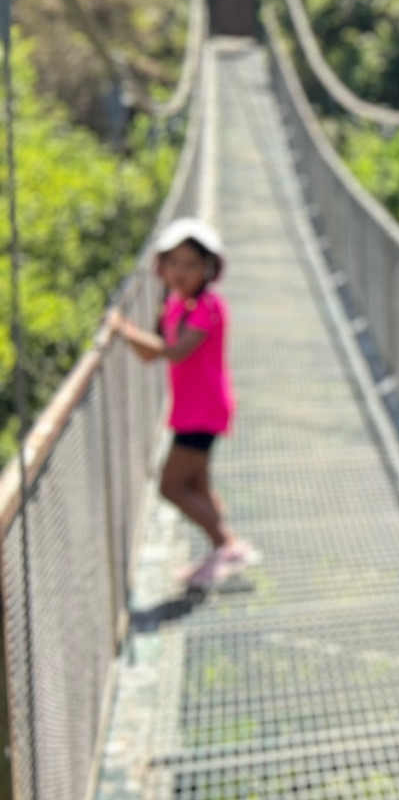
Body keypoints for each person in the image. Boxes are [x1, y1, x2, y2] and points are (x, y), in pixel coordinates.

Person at [111, 218, 258, 588]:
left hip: (203, 411)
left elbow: (175, 352)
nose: (180, 271)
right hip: (190, 410)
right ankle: (223, 548)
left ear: (209, 269)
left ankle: (228, 546)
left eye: (191, 264)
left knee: (171, 486)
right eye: (173, 262)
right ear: (161, 265)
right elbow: (152, 354)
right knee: (197, 485)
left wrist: (124, 330)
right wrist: (132, 335)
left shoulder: (208, 306)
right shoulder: (177, 304)